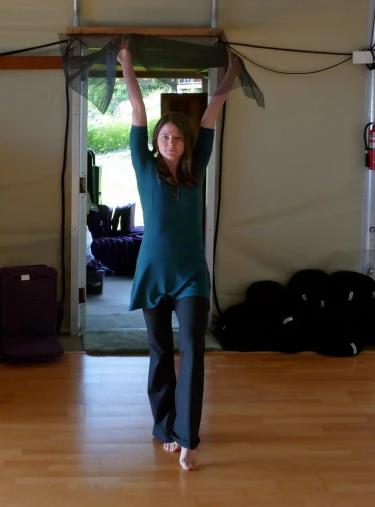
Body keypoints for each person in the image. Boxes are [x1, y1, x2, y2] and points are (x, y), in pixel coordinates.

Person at [117, 38, 241, 471]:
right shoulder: (143, 164)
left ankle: (187, 435)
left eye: (176, 137)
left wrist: (231, 74)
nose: (170, 141)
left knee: (192, 347)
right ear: (155, 142)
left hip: (191, 274)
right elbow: (137, 109)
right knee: (158, 350)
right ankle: (162, 426)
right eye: (163, 137)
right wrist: (127, 64)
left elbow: (210, 113)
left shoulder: (197, 167)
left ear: (187, 144)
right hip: (153, 272)